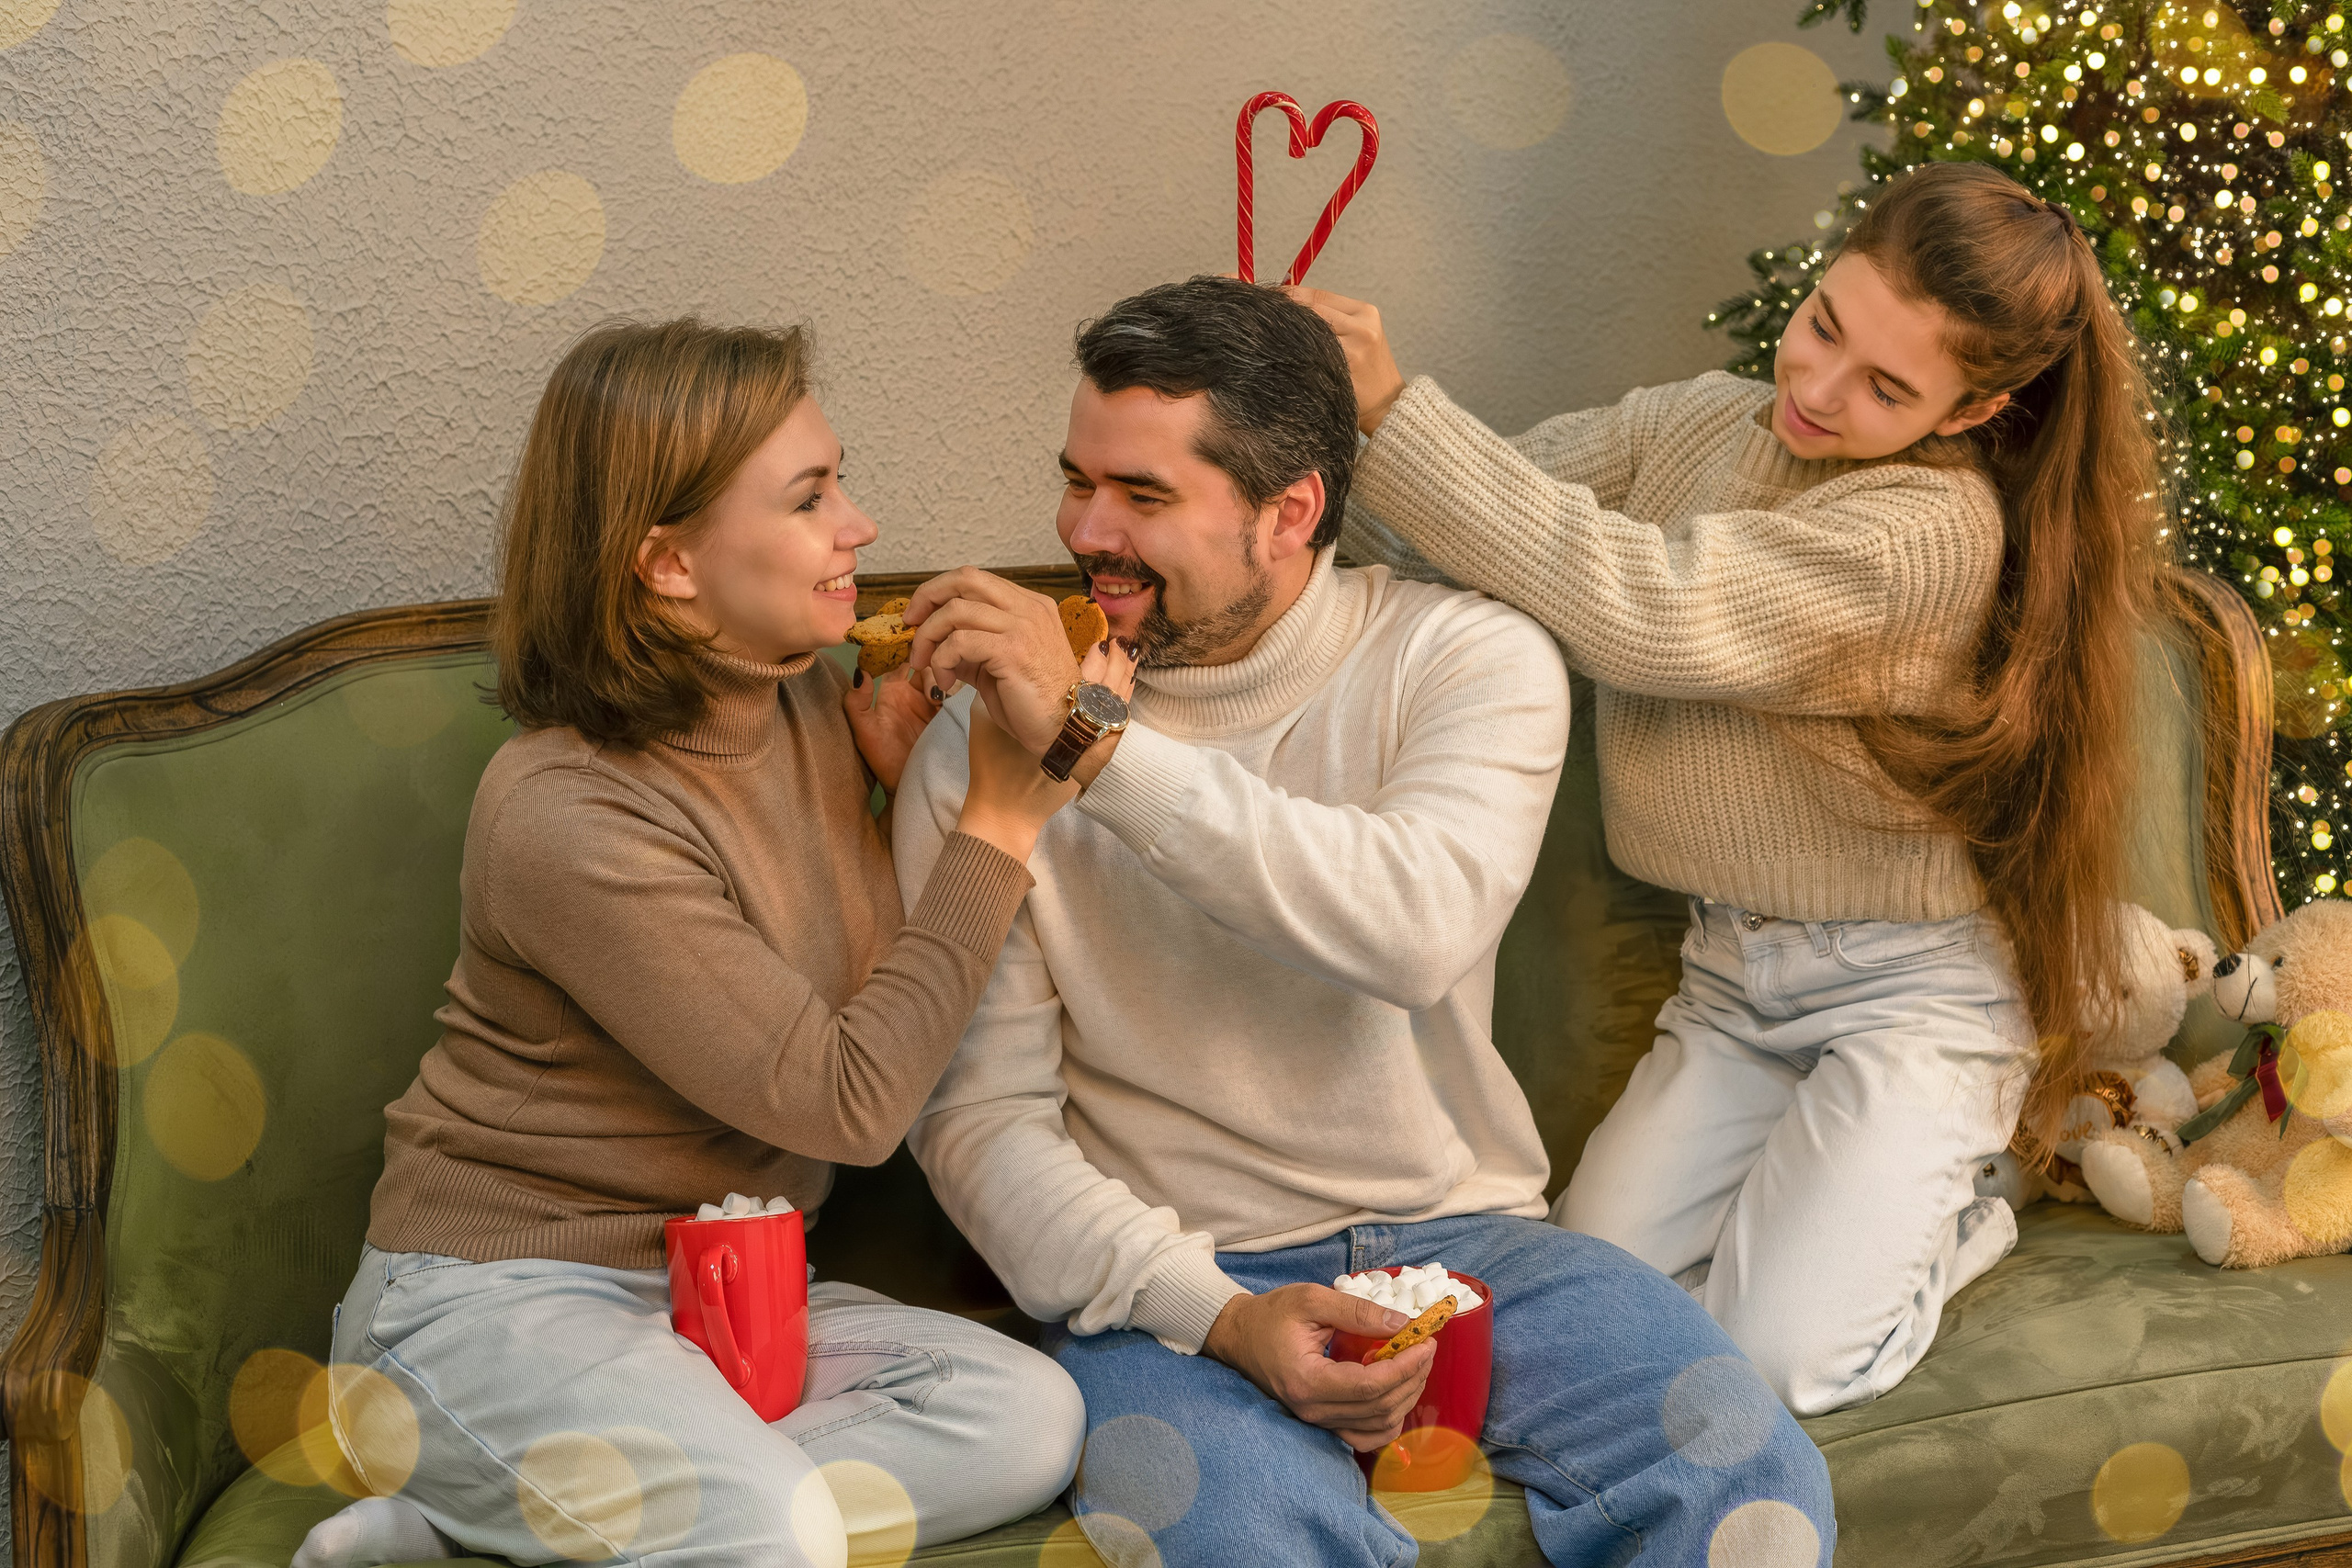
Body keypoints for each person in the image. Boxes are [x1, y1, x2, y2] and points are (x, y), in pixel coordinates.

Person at [894, 276, 1835, 1568]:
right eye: (1077, 481)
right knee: (1248, 1537)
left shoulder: (1466, 660)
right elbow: (978, 1123)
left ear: (1291, 512)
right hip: (1170, 1279)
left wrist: (1098, 747)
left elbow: (1411, 928)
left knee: (1749, 1473)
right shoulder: (978, 743)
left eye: (1144, 496)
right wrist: (1218, 1314)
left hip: (1474, 1243)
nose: (1085, 531)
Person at [1295, 161, 2164, 1415]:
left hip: (1910, 995)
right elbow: (1454, 528)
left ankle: (1967, 1208)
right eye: (1823, 324)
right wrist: (1298, 455)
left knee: (1777, 1360)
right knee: (1591, 1311)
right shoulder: (1694, 422)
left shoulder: (1930, 532)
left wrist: (1398, 406)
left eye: (1887, 388)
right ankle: (1862, 1204)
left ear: (1975, 410)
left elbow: (1652, 610)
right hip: (1731, 983)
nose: (1816, 387)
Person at [295, 319, 1108, 1568]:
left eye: (840, 482)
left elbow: (850, 986)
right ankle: (529, 1475)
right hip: (494, 1299)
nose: (860, 527)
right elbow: (848, 1103)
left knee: (1025, 1421)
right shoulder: (567, 812)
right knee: (771, 1528)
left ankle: (493, 1529)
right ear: (670, 564)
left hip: (719, 1296)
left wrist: (890, 800)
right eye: (810, 498)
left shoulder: (803, 703)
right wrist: (995, 823)